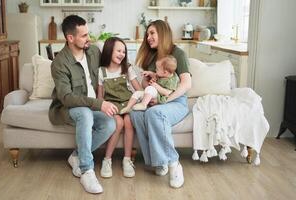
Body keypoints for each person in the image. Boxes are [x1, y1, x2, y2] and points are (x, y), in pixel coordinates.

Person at [48, 15, 118, 194]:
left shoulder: (93, 51)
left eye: (88, 34)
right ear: (70, 38)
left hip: (92, 106)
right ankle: (87, 170)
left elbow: (111, 69)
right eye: (84, 35)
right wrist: (98, 103)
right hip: (68, 108)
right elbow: (67, 98)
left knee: (111, 123)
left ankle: (76, 156)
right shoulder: (59, 63)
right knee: (85, 114)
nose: (89, 38)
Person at [130, 20, 192, 188]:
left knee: (154, 113)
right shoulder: (151, 56)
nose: (148, 37)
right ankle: (159, 162)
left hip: (175, 102)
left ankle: (174, 163)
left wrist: (163, 101)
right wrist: (146, 81)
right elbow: (146, 85)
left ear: (162, 33)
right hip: (156, 99)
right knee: (136, 113)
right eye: (147, 34)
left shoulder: (177, 53)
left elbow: (186, 84)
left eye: (152, 33)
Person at [97, 37, 142, 178]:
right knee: (119, 122)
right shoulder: (101, 71)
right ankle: (107, 159)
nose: (122, 54)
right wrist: (105, 107)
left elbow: (139, 89)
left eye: (124, 51)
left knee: (128, 122)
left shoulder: (127, 68)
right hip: (112, 105)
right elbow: (100, 97)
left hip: (128, 104)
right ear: (109, 50)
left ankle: (127, 160)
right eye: (118, 50)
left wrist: (136, 101)